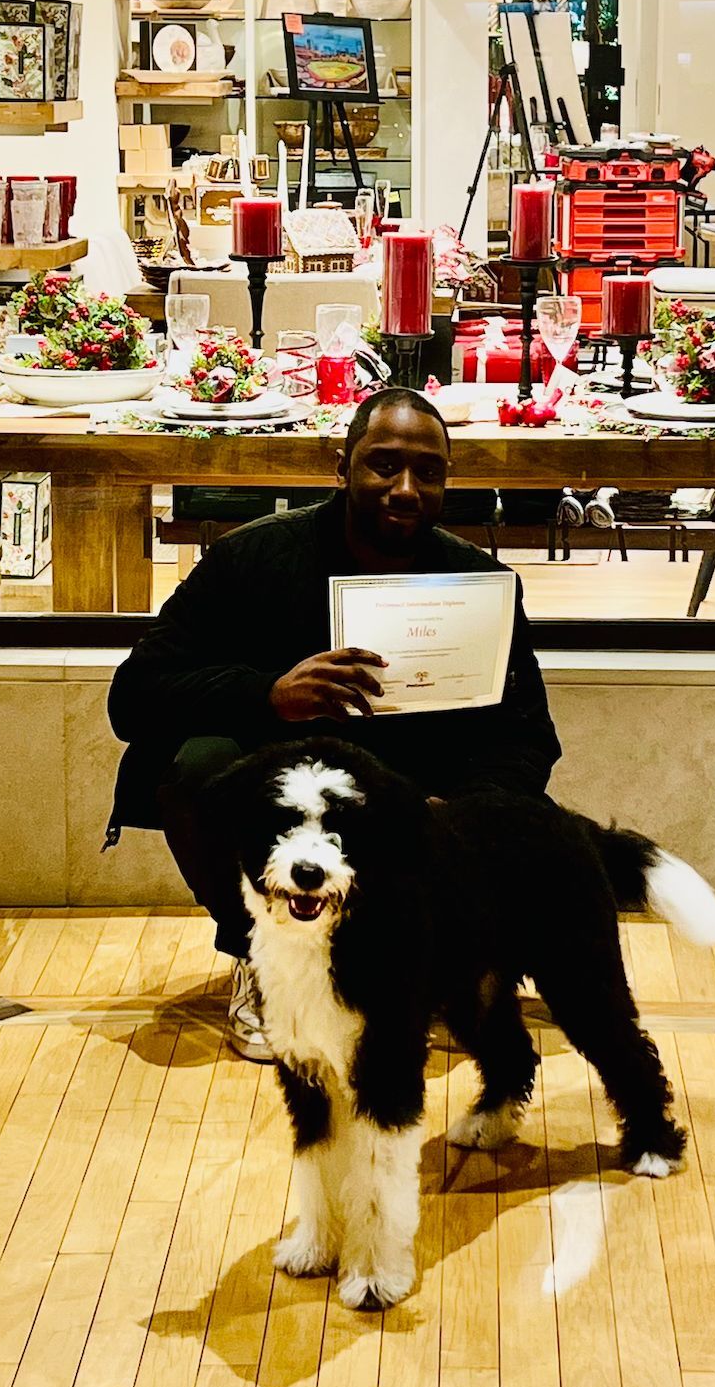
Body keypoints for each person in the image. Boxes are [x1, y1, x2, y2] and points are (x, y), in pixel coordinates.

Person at [105, 385, 561, 1058]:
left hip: (412, 807)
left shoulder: (477, 582)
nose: (405, 487)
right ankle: (261, 960)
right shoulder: (250, 559)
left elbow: (527, 737)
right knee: (197, 765)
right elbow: (133, 695)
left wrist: (460, 812)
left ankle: (425, 961)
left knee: (534, 841)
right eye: (383, 464)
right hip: (287, 811)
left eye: (427, 471)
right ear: (341, 465)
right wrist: (266, 693)